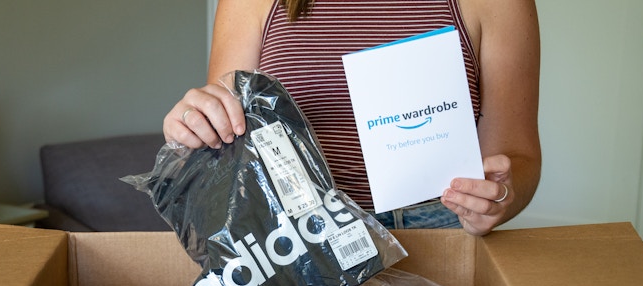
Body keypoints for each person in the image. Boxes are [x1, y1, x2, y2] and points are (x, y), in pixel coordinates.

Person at [163, 0, 541, 236]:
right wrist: (193, 125)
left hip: (437, 228)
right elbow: (226, 140)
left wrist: (500, 197)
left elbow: (517, 155)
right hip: (294, 233)